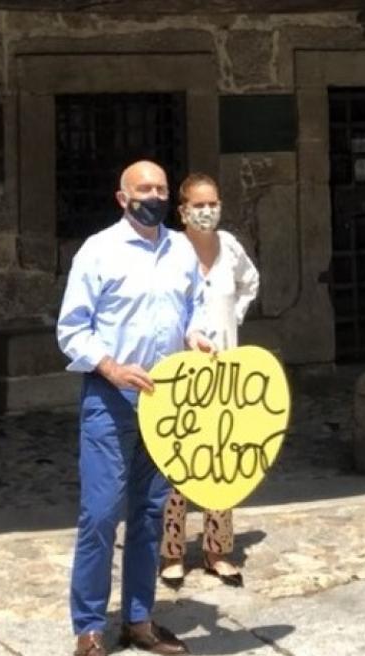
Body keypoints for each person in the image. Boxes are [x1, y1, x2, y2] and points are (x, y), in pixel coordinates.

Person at [57, 159, 216, 656]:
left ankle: (139, 619)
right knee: (101, 514)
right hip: (111, 396)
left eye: (162, 188)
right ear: (122, 198)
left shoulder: (182, 251)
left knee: (151, 513)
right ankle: (88, 628)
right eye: (144, 189)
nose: (154, 196)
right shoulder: (98, 251)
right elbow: (72, 329)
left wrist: (196, 335)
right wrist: (111, 367)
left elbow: (196, 307)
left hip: (166, 401)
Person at [158, 173, 259, 590]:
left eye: (212, 203)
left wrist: (232, 319)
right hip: (180, 373)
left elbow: (249, 282)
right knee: (177, 461)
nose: (207, 211)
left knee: (222, 460)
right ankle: (172, 551)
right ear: (182, 210)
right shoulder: (168, 249)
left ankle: (218, 548)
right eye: (198, 204)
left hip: (224, 370)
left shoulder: (230, 246)